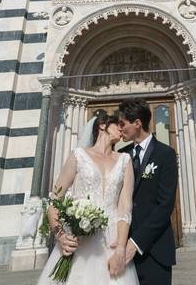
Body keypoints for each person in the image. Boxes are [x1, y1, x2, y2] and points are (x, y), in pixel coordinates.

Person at [37, 109, 139, 284]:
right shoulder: (78, 155)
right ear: (102, 125)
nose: (122, 128)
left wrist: (121, 248)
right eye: (118, 124)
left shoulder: (125, 160)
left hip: (112, 238)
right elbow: (54, 200)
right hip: (80, 241)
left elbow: (125, 207)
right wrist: (60, 235)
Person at [114, 98, 178, 285]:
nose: (119, 129)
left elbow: (165, 205)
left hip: (154, 248)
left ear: (137, 123)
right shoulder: (122, 155)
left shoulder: (165, 154)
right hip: (121, 246)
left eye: (122, 124)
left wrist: (136, 242)